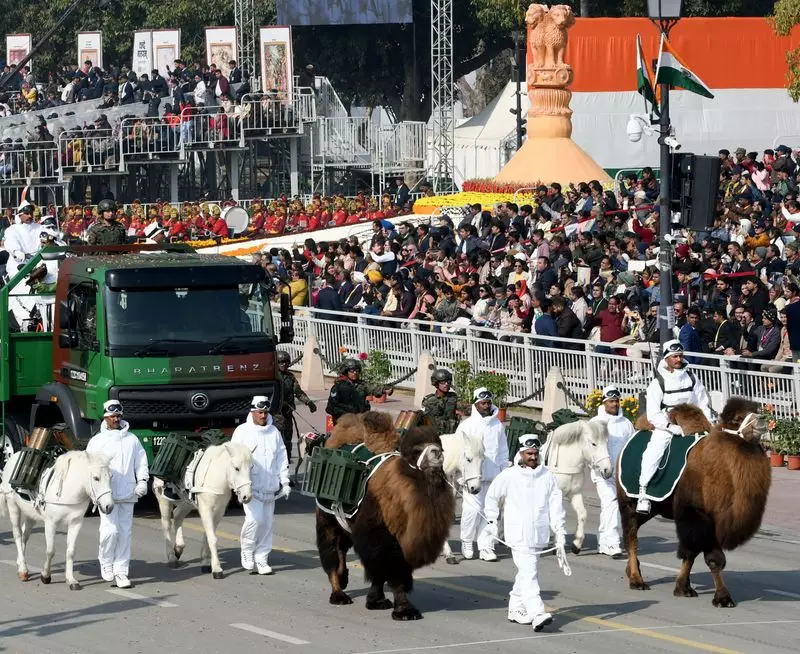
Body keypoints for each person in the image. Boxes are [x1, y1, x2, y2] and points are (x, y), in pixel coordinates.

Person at [484, 434, 566, 632]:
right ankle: (537, 613)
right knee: (530, 574)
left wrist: (560, 532)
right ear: (521, 453)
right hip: (518, 535)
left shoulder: (547, 476)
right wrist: (492, 522)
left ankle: (515, 608)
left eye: (535, 453)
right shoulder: (509, 475)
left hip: (539, 534)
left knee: (526, 573)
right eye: (529, 453)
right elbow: (492, 497)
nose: (533, 456)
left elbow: (556, 506)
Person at [638, 340, 711, 514]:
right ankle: (643, 492)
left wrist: (709, 424)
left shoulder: (692, 377)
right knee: (654, 451)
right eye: (675, 356)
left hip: (691, 422)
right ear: (667, 359)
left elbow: (703, 402)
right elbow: (653, 414)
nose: (678, 359)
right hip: (667, 423)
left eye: (680, 356)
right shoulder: (658, 383)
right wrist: (670, 427)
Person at [86, 401, 149, 589]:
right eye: (113, 416)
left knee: (124, 533)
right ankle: (106, 562)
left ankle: (121, 571)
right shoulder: (96, 441)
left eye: (118, 416)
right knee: (109, 531)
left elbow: (141, 462)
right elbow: (90, 470)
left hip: (128, 493)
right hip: (107, 496)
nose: (116, 419)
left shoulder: (132, 439)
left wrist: (142, 481)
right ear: (105, 417)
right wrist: (94, 493)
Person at [231, 396, 291, 575]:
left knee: (267, 524)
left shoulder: (274, 432)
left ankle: (262, 558)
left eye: (265, 412)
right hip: (251, 487)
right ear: (252, 412)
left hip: (270, 486)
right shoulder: (242, 431)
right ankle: (247, 551)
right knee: (254, 520)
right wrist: (238, 485)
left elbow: (282, 457)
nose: (263, 415)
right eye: (259, 412)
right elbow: (234, 461)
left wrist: (285, 481)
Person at [454, 387, 509, 562]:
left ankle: (486, 546)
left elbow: (503, 452)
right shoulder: (466, 426)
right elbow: (458, 452)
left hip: (492, 478)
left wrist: (503, 473)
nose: (486, 406)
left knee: (490, 514)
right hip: (472, 479)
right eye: (482, 403)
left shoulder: (497, 426)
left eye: (488, 403)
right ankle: (467, 541)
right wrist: (460, 476)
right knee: (472, 511)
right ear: (476, 404)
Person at [589, 386, 633, 558]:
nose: (614, 404)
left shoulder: (626, 424)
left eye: (616, 401)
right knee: (611, 503)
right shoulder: (595, 423)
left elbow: (630, 448)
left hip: (620, 475)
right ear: (604, 403)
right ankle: (613, 543)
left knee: (610, 507)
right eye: (611, 401)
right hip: (602, 474)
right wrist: (597, 468)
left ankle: (604, 540)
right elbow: (590, 449)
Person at [274, 350, 317, 462]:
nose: (283, 364)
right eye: (280, 362)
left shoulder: (290, 377)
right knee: (276, 440)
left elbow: (298, 392)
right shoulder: (272, 377)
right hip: (274, 414)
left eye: (285, 362)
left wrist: (309, 403)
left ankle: (286, 463)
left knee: (287, 440)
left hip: (287, 413)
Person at [325, 358, 391, 426]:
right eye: (352, 371)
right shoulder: (338, 387)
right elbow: (330, 408)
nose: (355, 373)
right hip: (343, 424)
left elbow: (372, 388)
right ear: (345, 371)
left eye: (357, 370)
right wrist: (348, 411)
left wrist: (383, 390)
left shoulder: (361, 385)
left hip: (360, 422)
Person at [421, 368, 459, 434]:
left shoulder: (453, 397)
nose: (446, 384)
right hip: (435, 436)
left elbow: (464, 409)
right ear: (436, 383)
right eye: (443, 382)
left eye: (448, 382)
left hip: (451, 435)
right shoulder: (429, 401)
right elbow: (423, 421)